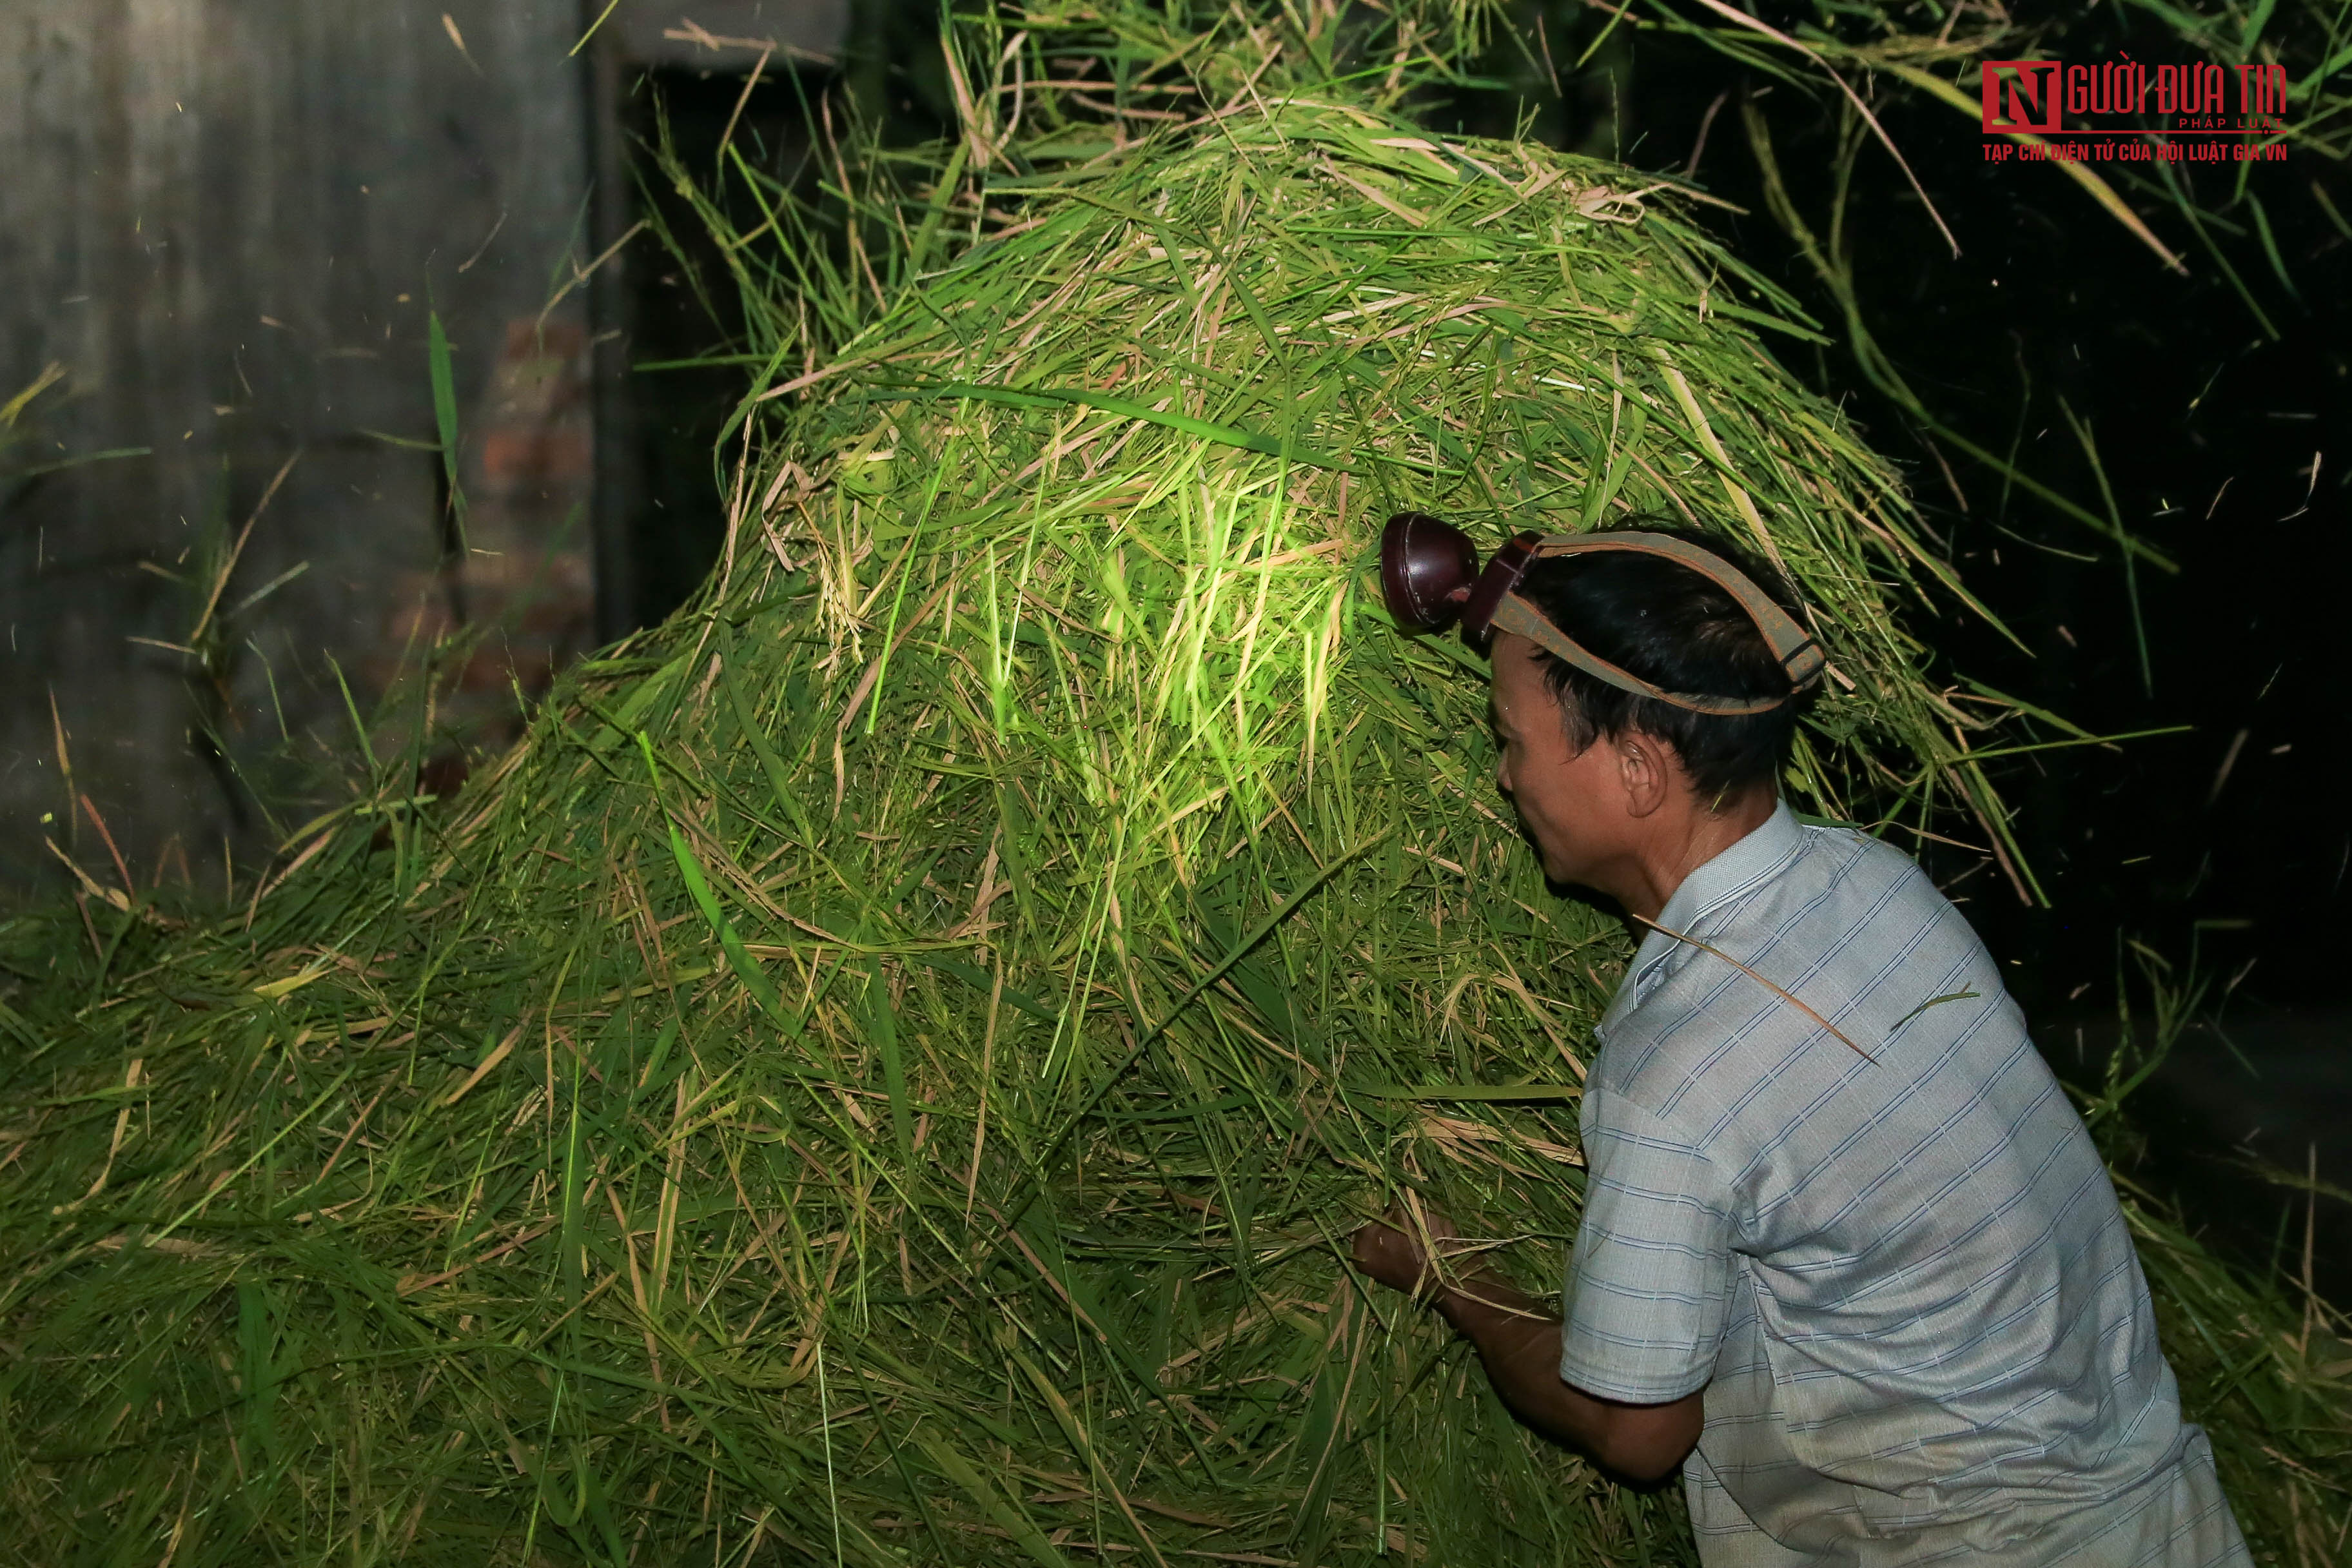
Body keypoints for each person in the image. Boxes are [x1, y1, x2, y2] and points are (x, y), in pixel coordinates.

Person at [1350, 523, 2249, 1565]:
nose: (1505, 779)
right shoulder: (1879, 885)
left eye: (1511, 740)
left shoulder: (1678, 1069)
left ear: (1638, 770)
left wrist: (1455, 1281)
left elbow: (1636, 1432)